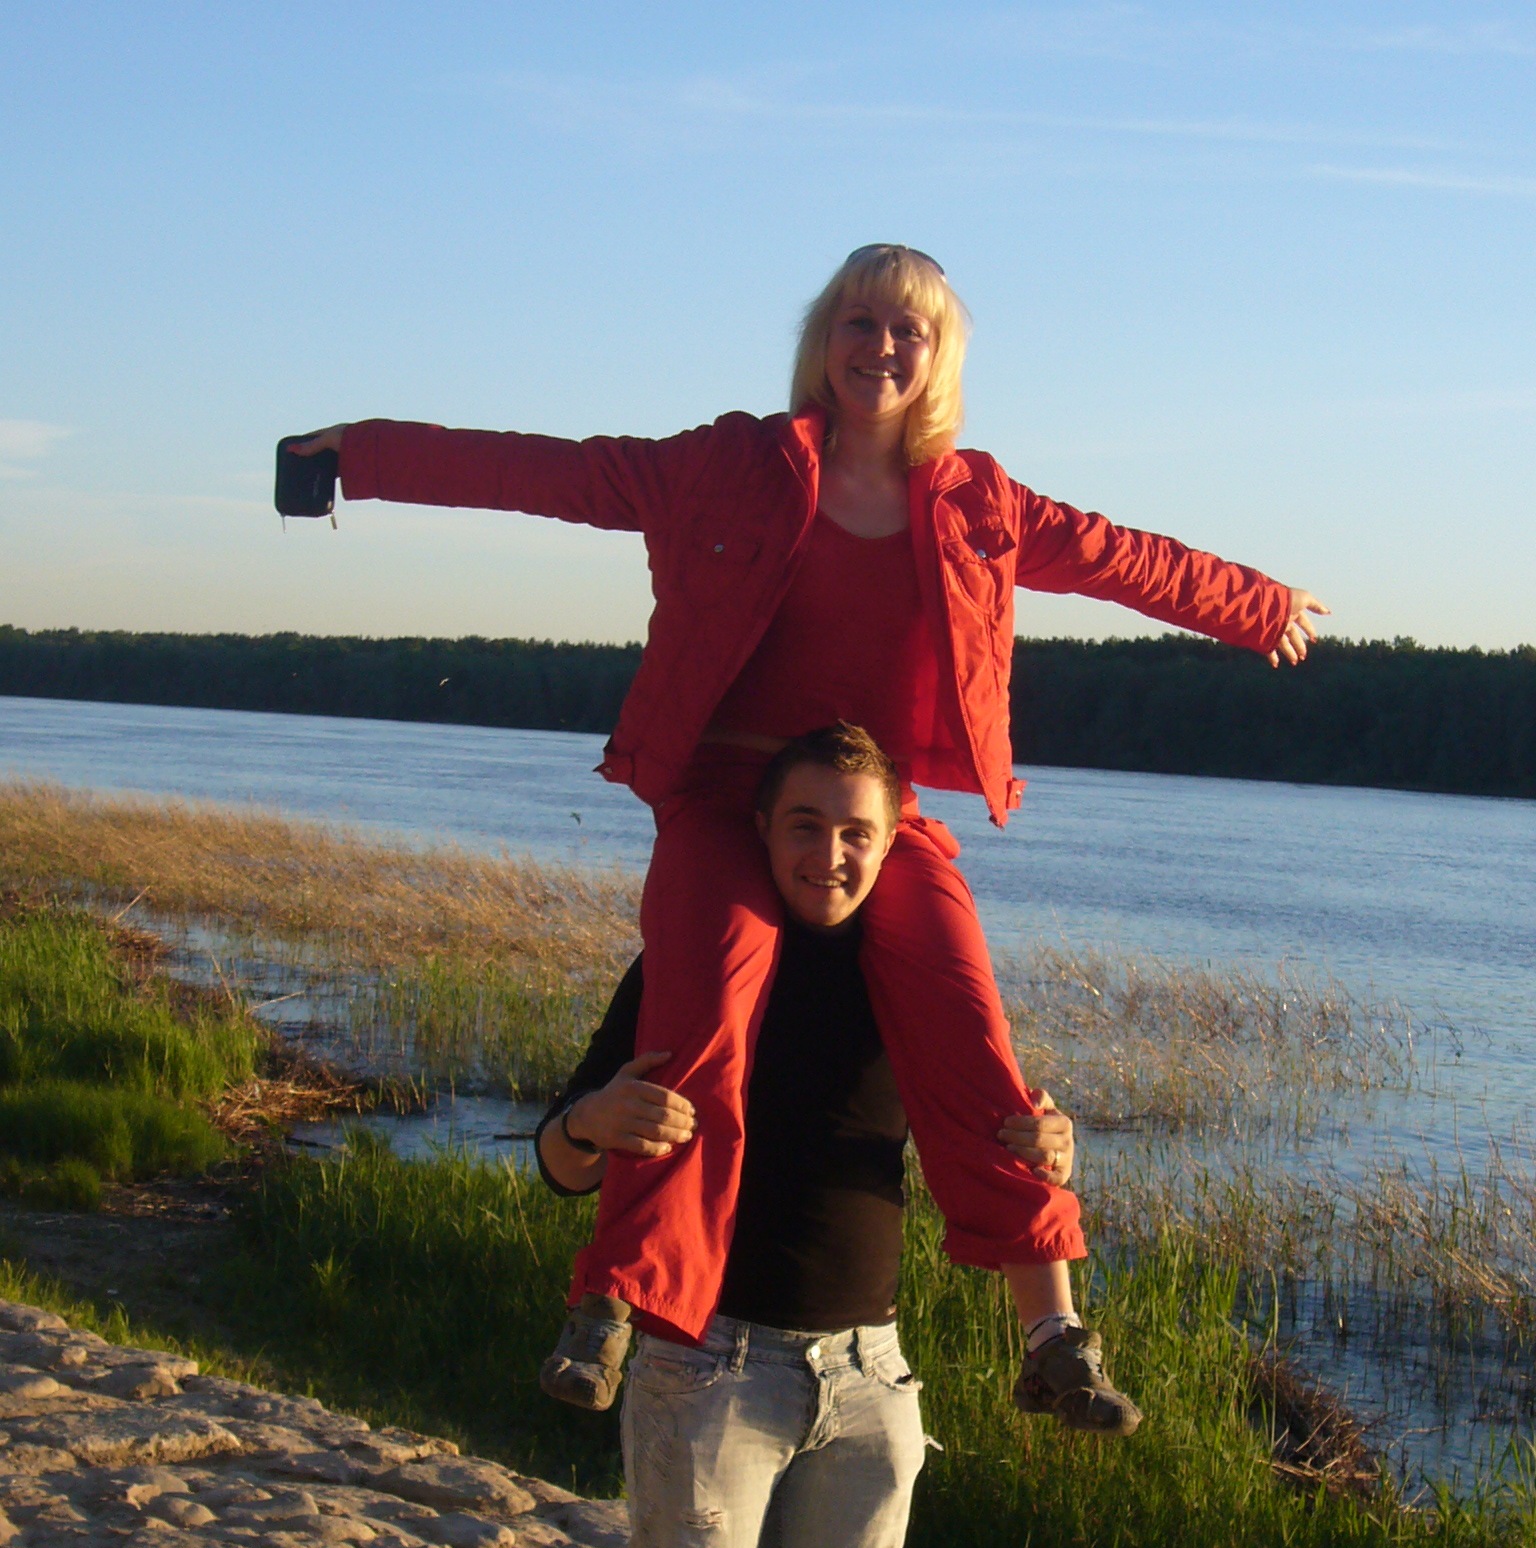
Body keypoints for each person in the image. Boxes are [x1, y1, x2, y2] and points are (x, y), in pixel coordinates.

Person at [286, 242, 1325, 1420]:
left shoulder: (980, 503)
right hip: (727, 795)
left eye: (908, 330)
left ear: (940, 357)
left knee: (966, 1014)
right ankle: (616, 1296)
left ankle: (1052, 1330)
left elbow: (1117, 555)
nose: (880, 347)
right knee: (701, 1009)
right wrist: (358, 453)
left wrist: (1258, 606)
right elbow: (548, 472)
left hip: (875, 811)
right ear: (823, 340)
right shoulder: (731, 464)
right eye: (858, 321)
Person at [536, 725, 1077, 1548]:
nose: (830, 852)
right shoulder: (695, 959)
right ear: (761, 827)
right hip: (707, 1368)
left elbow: (998, 1141)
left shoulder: (913, 977)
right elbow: (557, 1153)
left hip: (869, 1379)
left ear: (893, 841)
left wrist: (1049, 1144)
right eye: (805, 824)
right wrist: (590, 1124)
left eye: (856, 831)